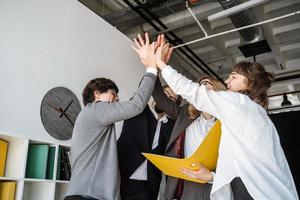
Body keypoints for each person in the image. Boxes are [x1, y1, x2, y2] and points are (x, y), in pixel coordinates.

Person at [150, 36, 299, 199]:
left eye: (233, 77)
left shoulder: (240, 103)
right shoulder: (252, 114)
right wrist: (212, 177)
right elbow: (238, 166)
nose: (227, 81)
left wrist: (160, 64)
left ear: (249, 81)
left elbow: (193, 92)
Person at [64, 36, 158, 200]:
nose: (116, 99)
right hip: (88, 196)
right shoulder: (95, 109)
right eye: (113, 94)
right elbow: (136, 105)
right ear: (97, 94)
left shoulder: (91, 116)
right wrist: (151, 69)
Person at [152, 75, 225, 200]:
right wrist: (153, 68)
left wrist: (213, 176)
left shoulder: (227, 123)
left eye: (207, 83)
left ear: (218, 90)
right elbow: (160, 97)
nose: (201, 87)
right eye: (199, 84)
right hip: (181, 181)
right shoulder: (185, 113)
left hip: (209, 184)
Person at [117, 86, 179, 200]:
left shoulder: (171, 126)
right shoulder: (138, 108)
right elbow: (143, 88)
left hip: (149, 186)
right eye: (165, 94)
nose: (167, 99)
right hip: (122, 177)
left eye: (172, 99)